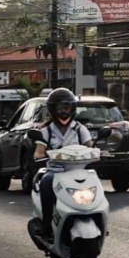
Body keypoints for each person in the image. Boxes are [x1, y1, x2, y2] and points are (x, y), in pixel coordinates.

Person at [31, 88, 94, 239]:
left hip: (79, 171)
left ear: (72, 109)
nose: (64, 112)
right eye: (60, 108)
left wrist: (99, 152)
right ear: (52, 110)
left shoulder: (80, 129)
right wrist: (42, 155)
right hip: (56, 171)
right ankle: (47, 227)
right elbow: (39, 152)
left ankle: (98, 219)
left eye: (66, 108)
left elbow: (90, 147)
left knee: (96, 185)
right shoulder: (46, 131)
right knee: (46, 183)